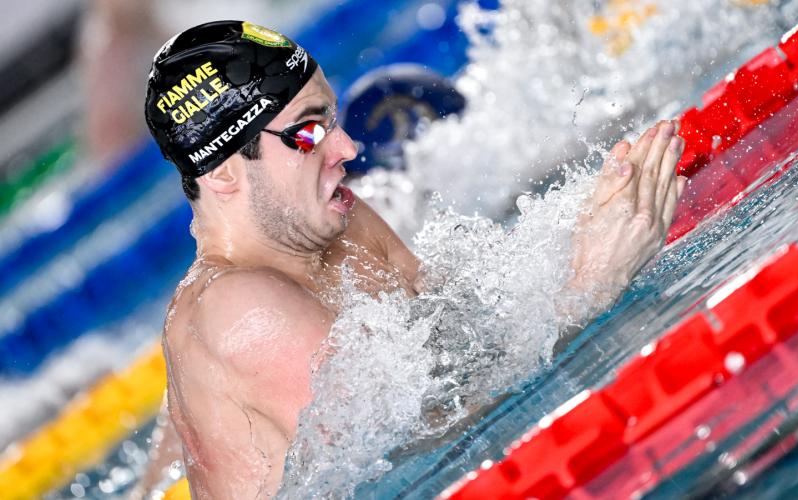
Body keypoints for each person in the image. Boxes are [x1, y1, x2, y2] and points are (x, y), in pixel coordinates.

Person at [141, 20, 686, 499]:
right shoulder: (238, 312)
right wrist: (588, 287)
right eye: (308, 133)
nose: (348, 149)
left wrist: (574, 242)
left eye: (332, 119)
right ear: (222, 173)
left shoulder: (344, 222)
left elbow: (464, 342)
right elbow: (417, 454)